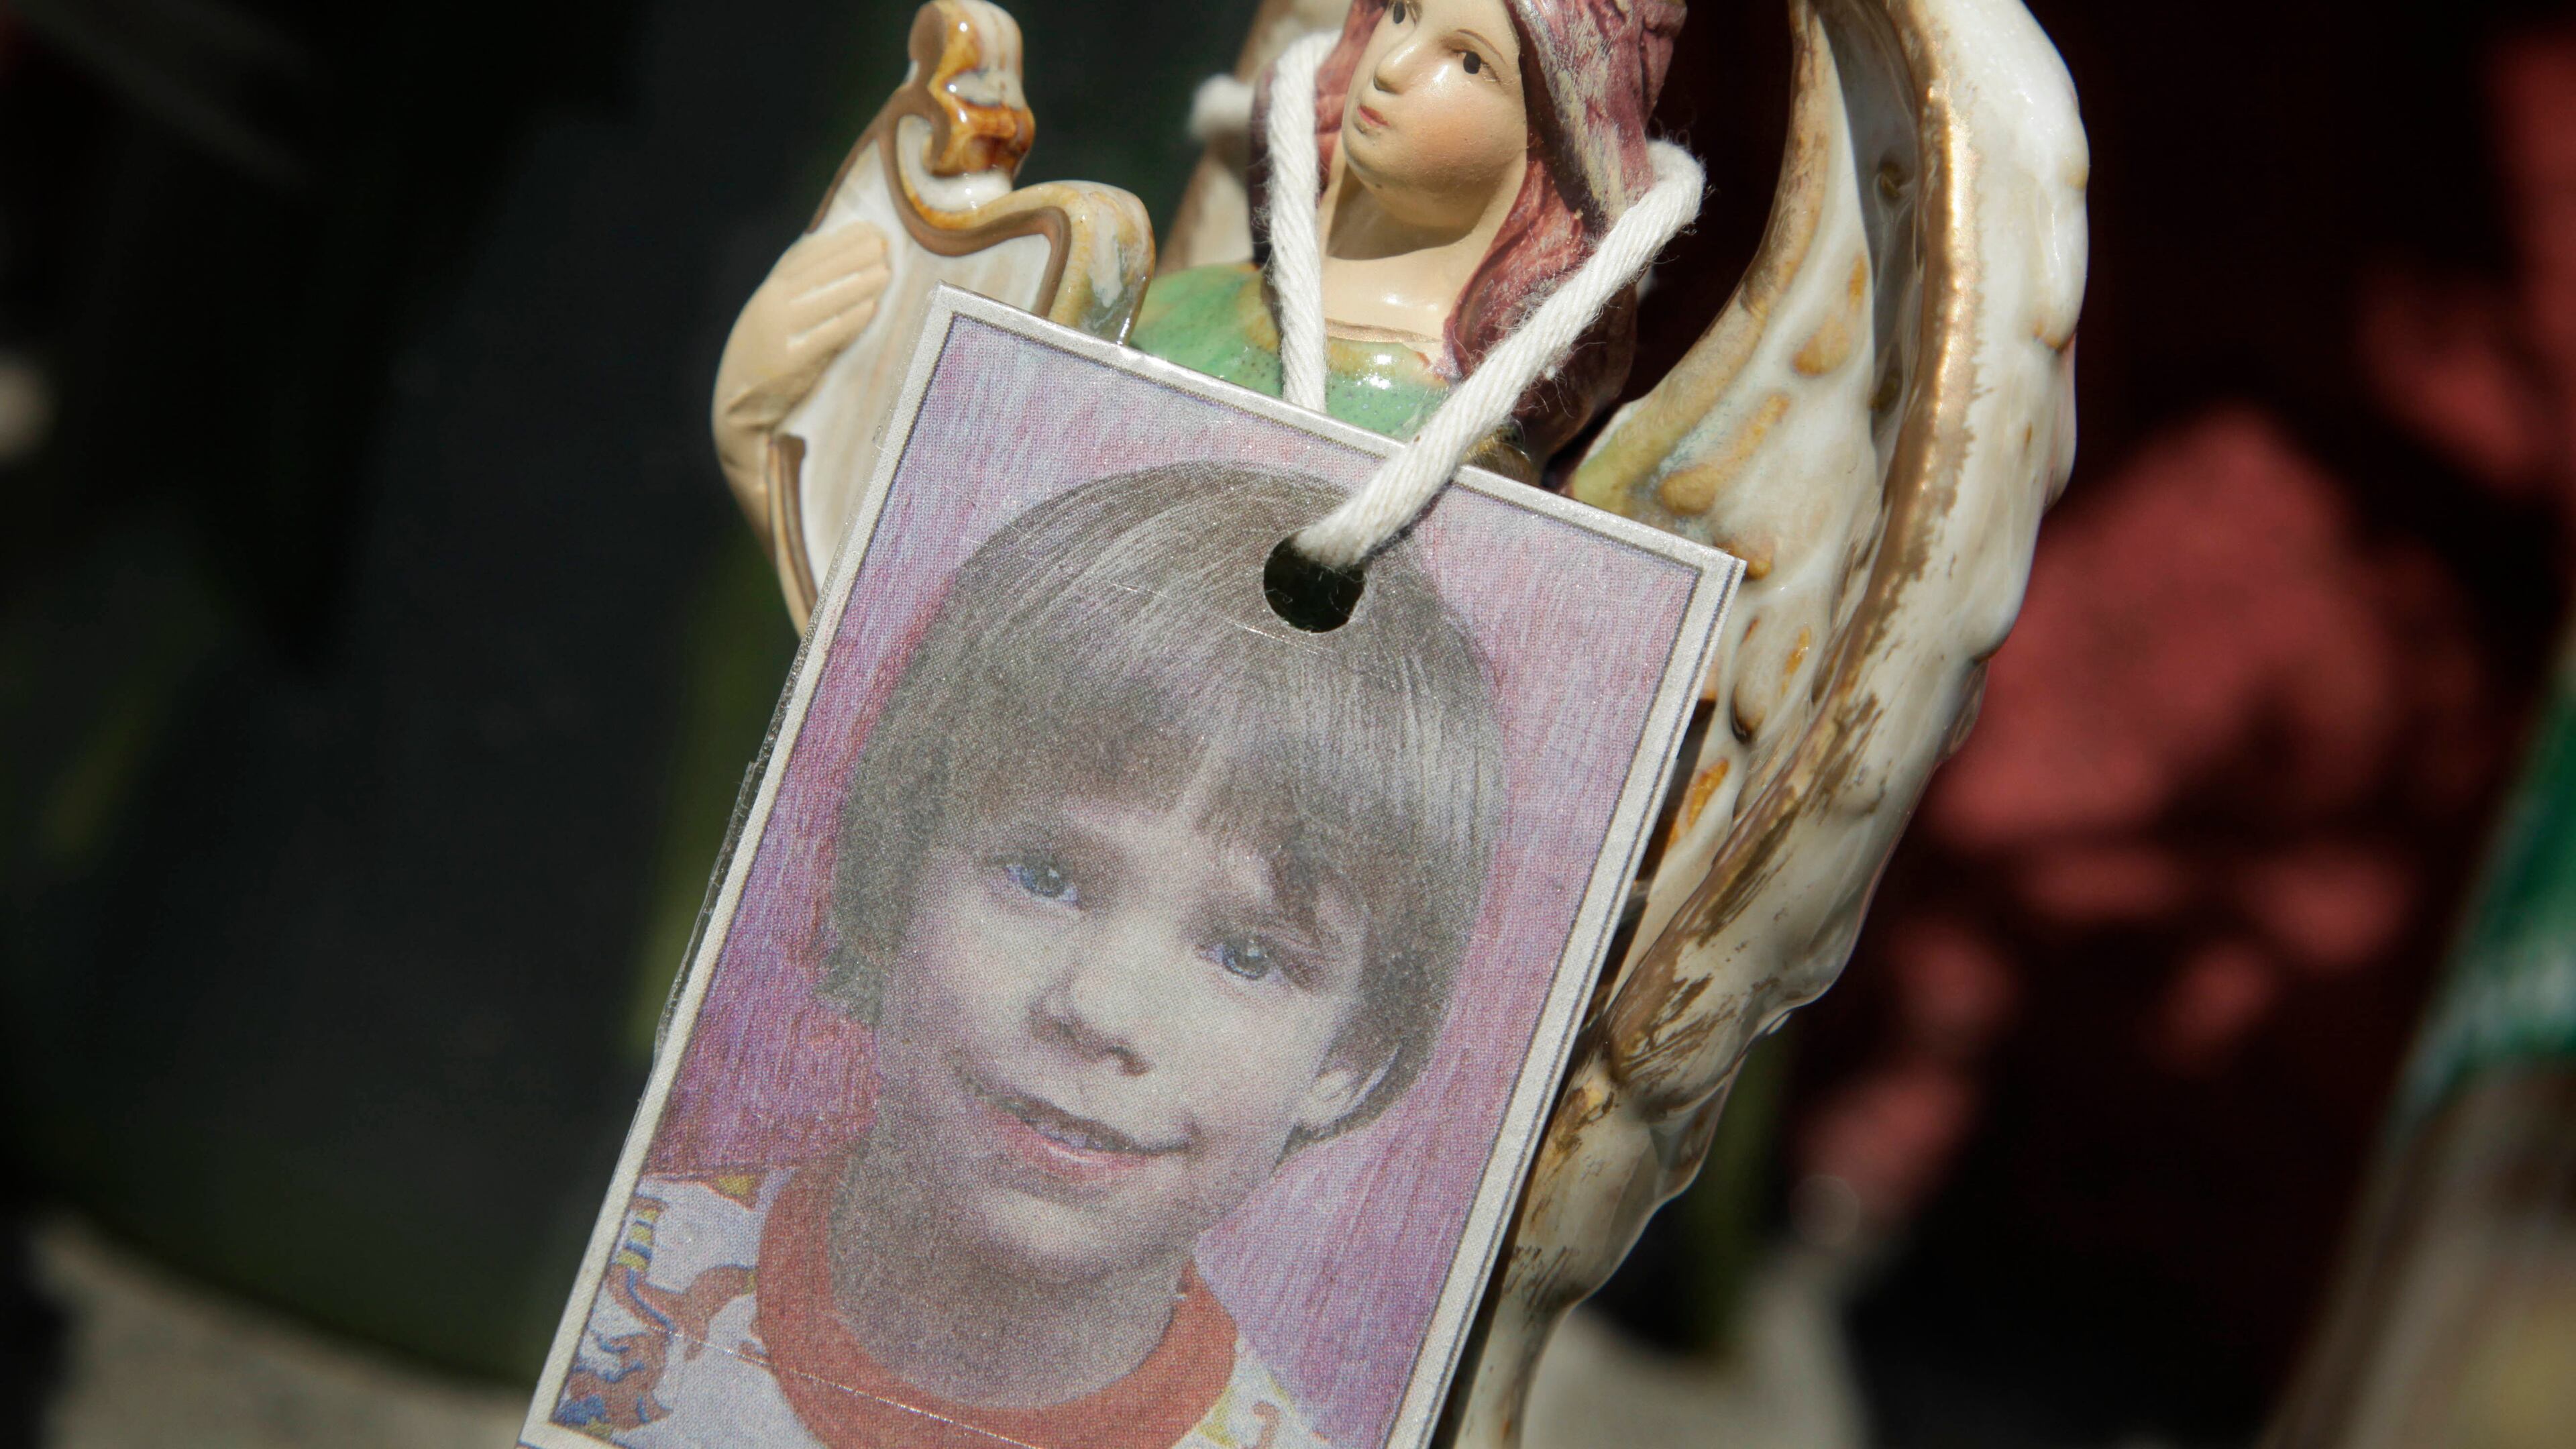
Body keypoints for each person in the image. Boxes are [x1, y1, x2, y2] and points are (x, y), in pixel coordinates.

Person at [551, 463, 1506, 1449]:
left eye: (1247, 955)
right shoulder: (623, 1293)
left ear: (1353, 1059)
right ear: (896, 872)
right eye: (1044, 877)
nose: (1100, 1008)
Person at [712, 0, 1683, 496]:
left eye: (1466, 61)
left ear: (1557, 142)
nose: (1391, 65)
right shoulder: (1175, 308)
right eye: (1398, 13)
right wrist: (764, 429)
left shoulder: (1460, 464)